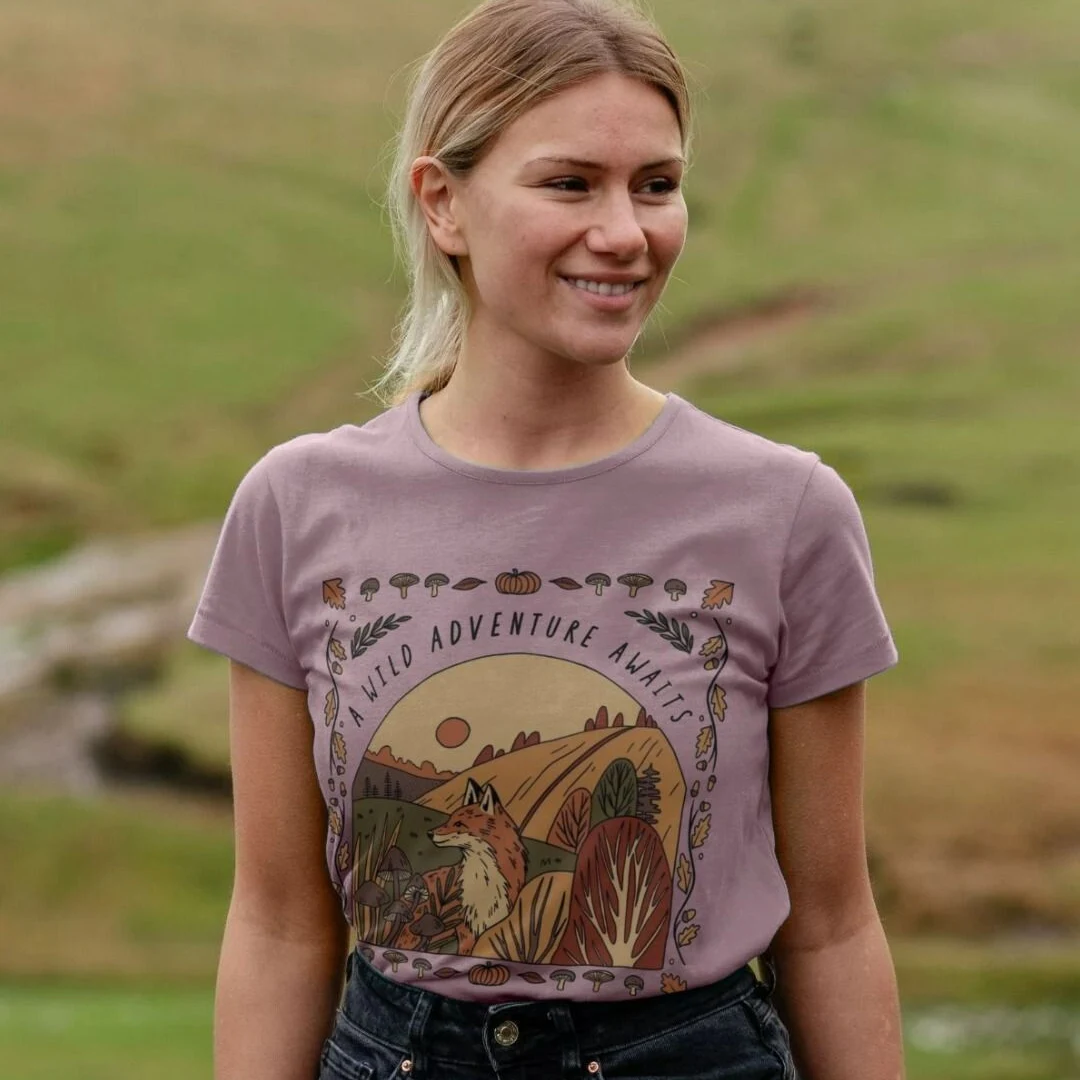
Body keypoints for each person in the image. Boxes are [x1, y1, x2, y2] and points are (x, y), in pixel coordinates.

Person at [187, 0, 905, 1077]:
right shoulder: (295, 505)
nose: (625, 232)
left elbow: (833, 925)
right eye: (570, 183)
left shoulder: (785, 510)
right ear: (444, 203)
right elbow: (282, 923)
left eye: (655, 185)